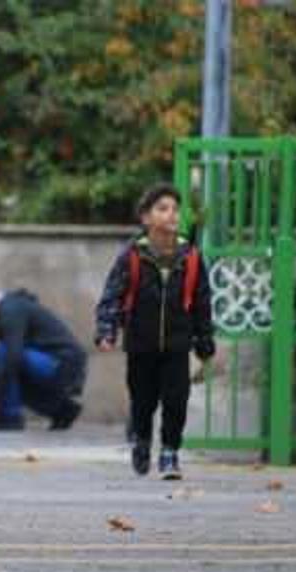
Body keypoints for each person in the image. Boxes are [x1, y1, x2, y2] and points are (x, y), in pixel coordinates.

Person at [94, 182, 215, 481]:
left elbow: (202, 301)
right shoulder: (133, 256)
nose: (171, 214)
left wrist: (205, 341)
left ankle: (170, 452)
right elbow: (112, 295)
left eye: (175, 209)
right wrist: (106, 330)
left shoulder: (192, 257)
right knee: (143, 400)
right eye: (163, 208)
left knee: (176, 400)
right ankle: (142, 440)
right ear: (146, 217)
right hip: (140, 343)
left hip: (177, 344)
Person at [0, 286, 87, 432]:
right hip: (63, 365)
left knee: (3, 352)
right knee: (11, 379)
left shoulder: (10, 309)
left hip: (61, 364)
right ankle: (62, 410)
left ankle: (10, 418)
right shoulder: (12, 307)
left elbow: (12, 356)